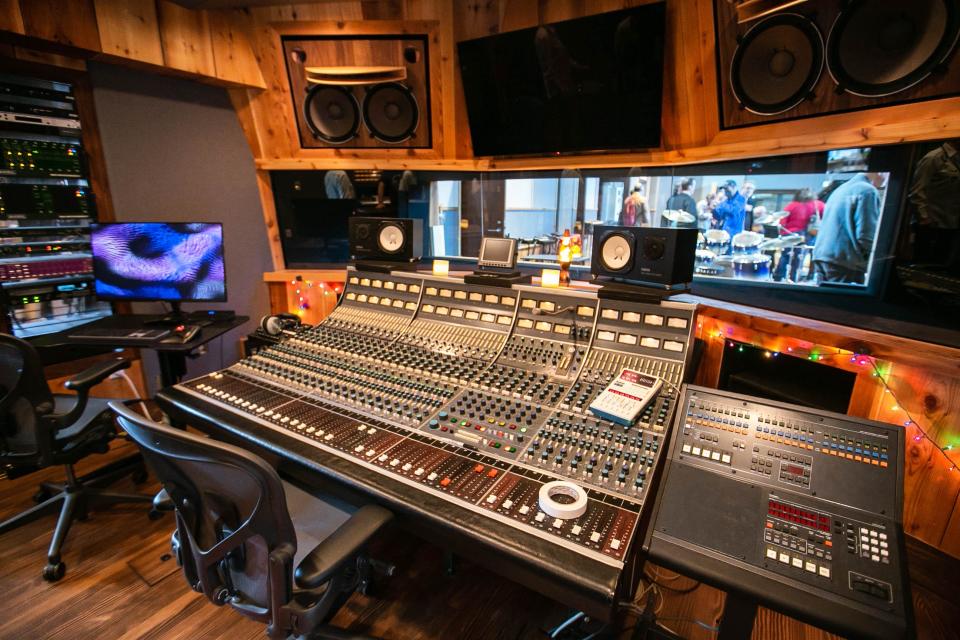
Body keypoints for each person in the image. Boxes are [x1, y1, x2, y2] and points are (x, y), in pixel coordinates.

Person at [812, 173, 884, 284]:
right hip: (845, 260)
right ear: (879, 173)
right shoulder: (868, 191)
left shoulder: (841, 189)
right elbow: (866, 236)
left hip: (823, 257)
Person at [908, 139, 960, 273]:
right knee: (924, 269)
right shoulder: (933, 158)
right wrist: (924, 218)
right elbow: (916, 191)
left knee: (940, 268)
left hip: (950, 224)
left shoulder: (956, 158)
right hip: (931, 226)